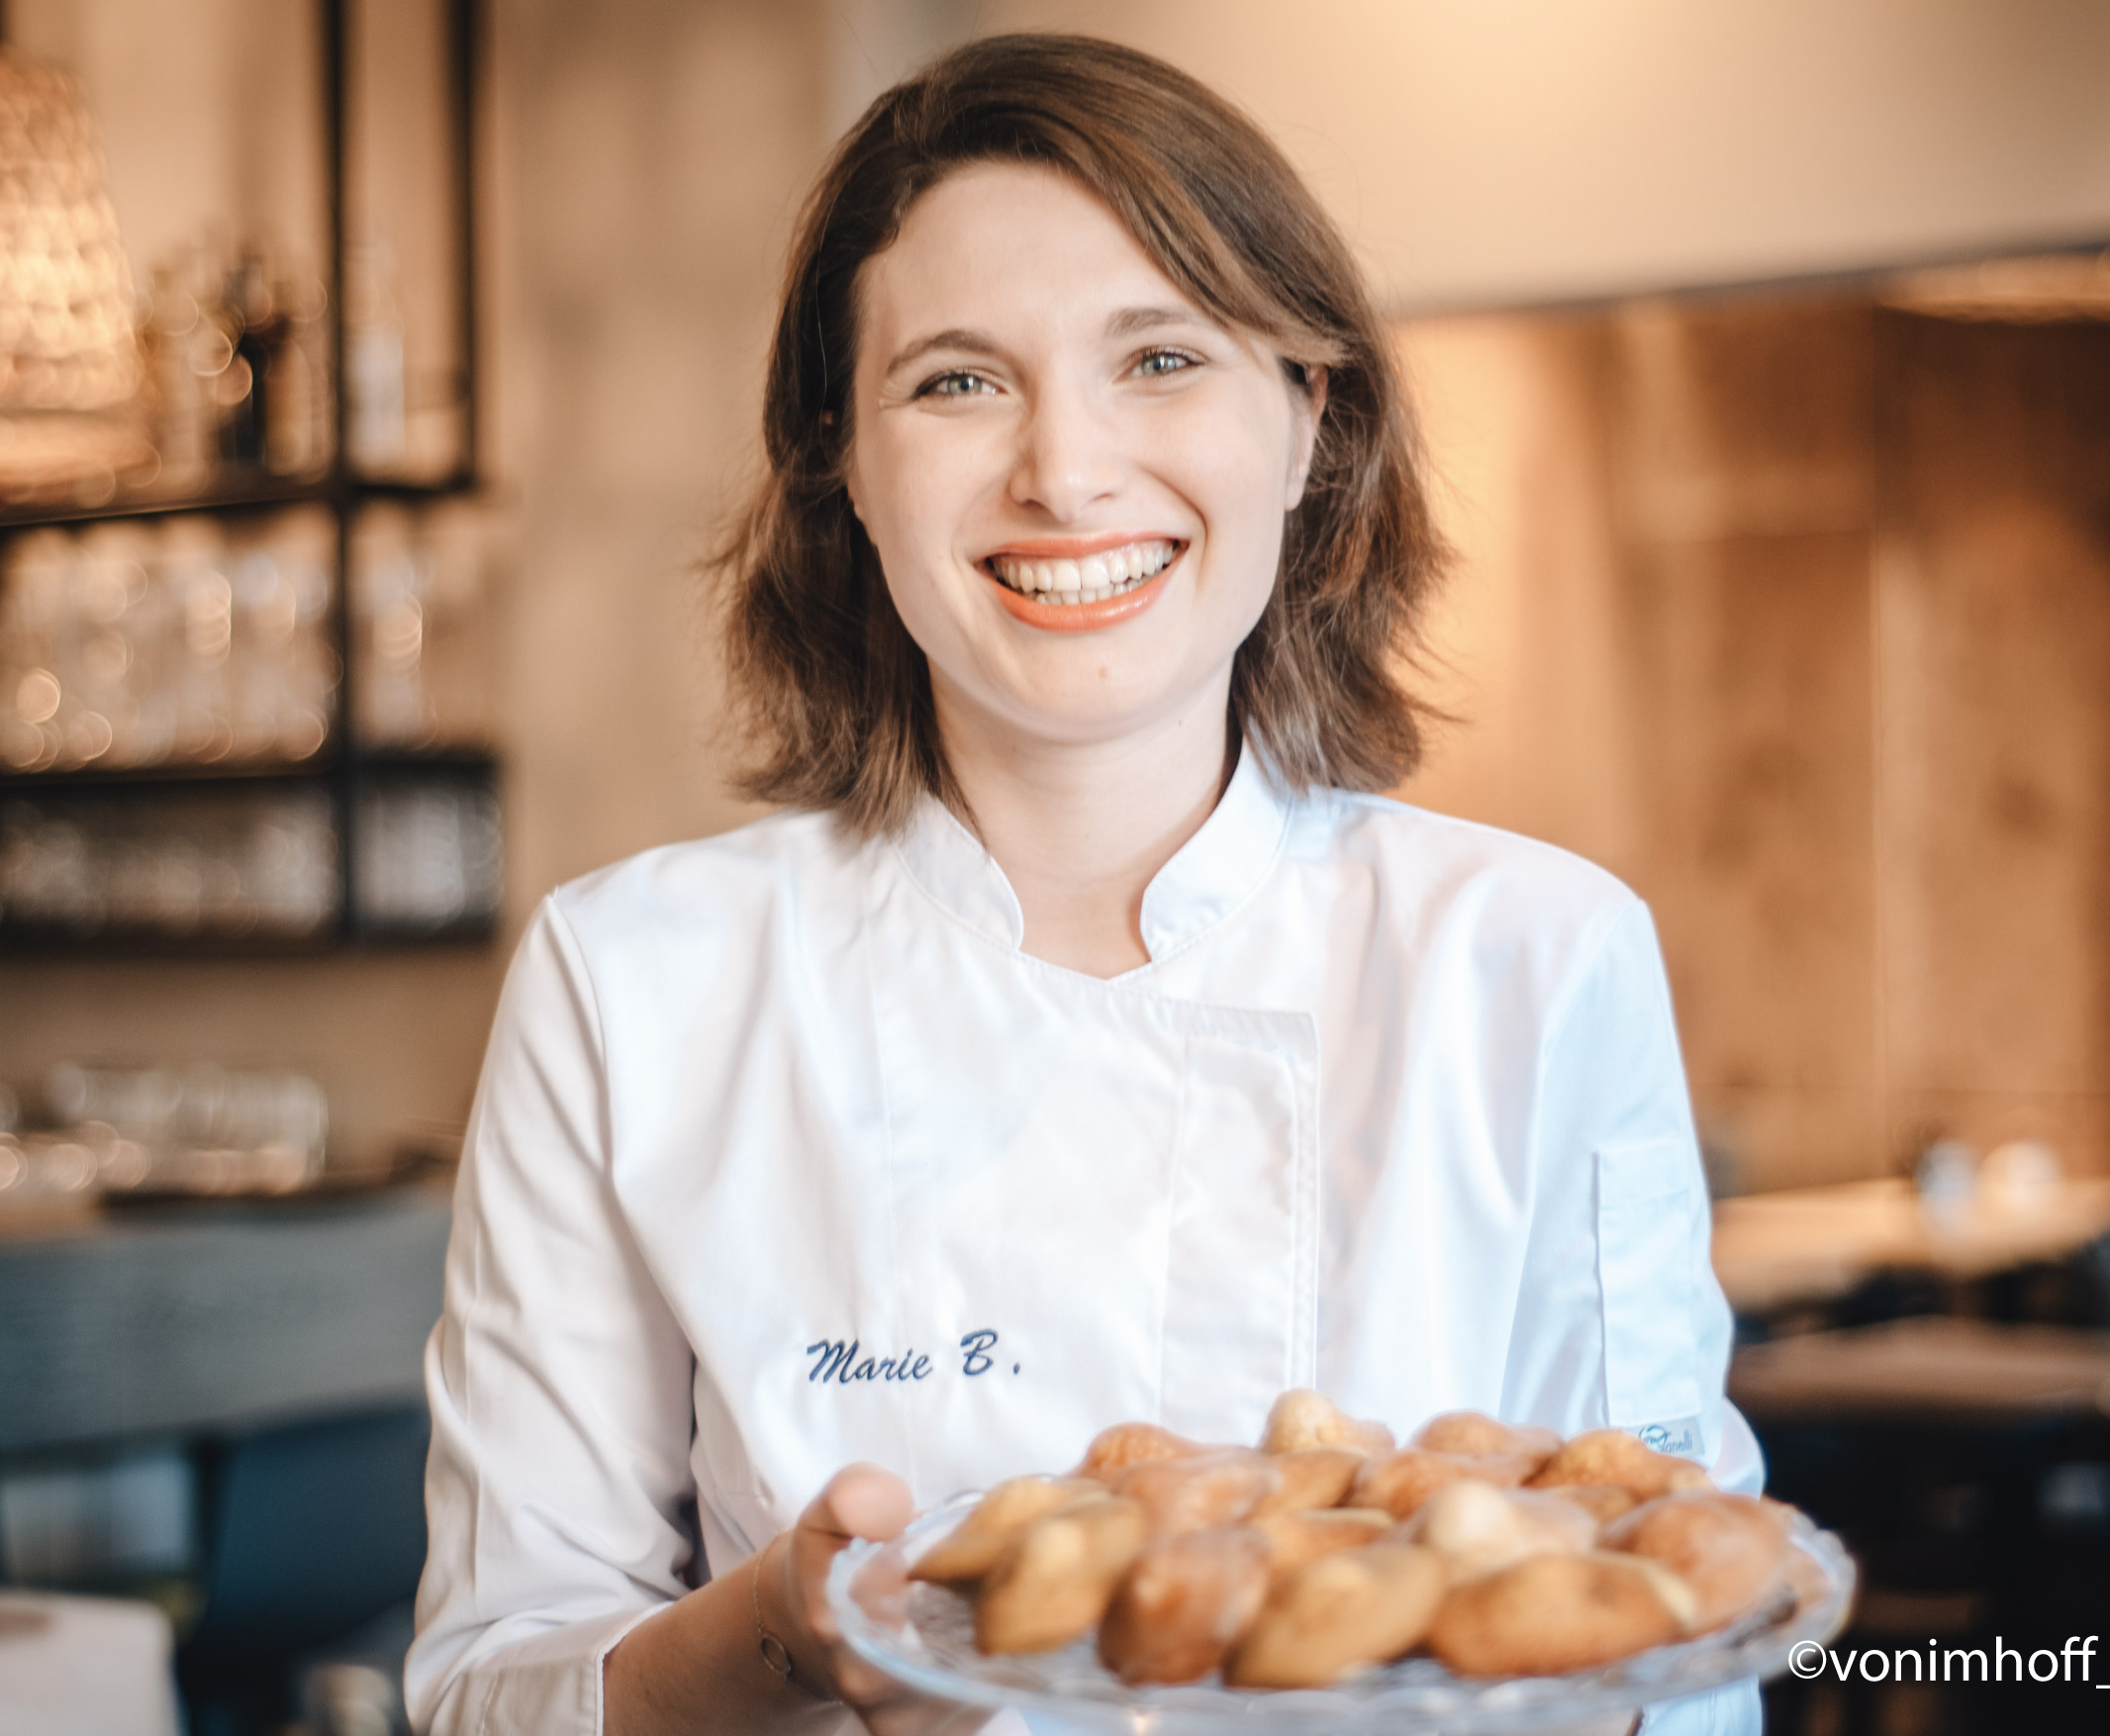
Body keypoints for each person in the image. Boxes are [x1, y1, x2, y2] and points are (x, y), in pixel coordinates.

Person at [405, 32, 1760, 1736]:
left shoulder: (1539, 957)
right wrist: (786, 1631)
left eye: (1161, 357)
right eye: (958, 381)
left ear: (1306, 421)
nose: (1065, 468)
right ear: (844, 461)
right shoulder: (634, 984)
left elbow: (1682, 1641)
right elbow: (486, 1688)